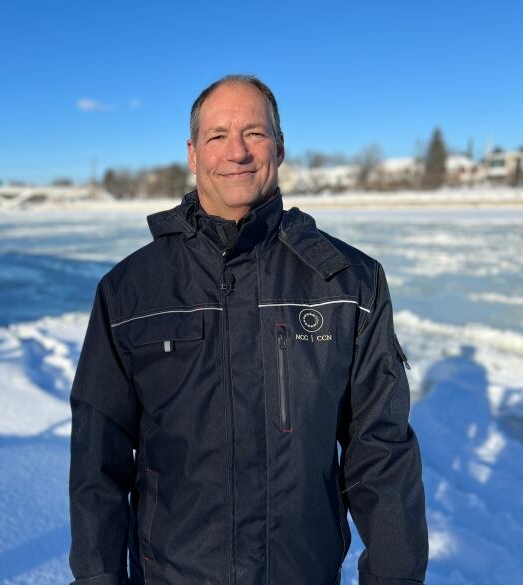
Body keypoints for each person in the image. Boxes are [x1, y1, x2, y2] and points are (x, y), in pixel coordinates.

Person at [68, 74, 428, 585]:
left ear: (278, 149)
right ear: (193, 154)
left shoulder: (349, 282)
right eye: (218, 136)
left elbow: (382, 455)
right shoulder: (130, 290)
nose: (236, 151)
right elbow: (96, 465)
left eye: (254, 134)